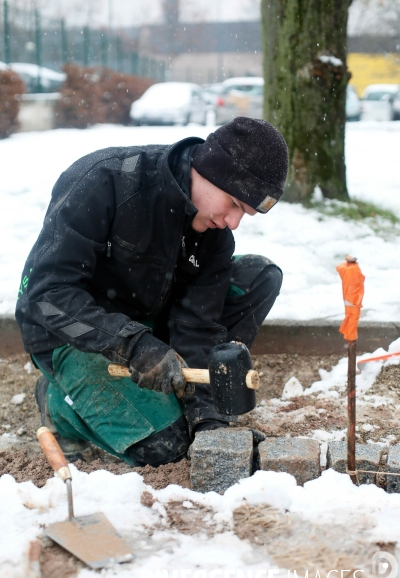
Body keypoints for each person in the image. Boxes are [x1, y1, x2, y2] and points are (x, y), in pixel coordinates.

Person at [15, 117, 288, 466]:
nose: (233, 222)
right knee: (166, 447)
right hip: (69, 332)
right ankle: (58, 405)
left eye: (244, 214)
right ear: (209, 172)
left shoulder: (214, 236)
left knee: (259, 277)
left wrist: (207, 420)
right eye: (234, 204)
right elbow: (47, 296)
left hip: (145, 318)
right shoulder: (105, 180)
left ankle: (180, 397)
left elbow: (198, 326)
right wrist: (132, 344)